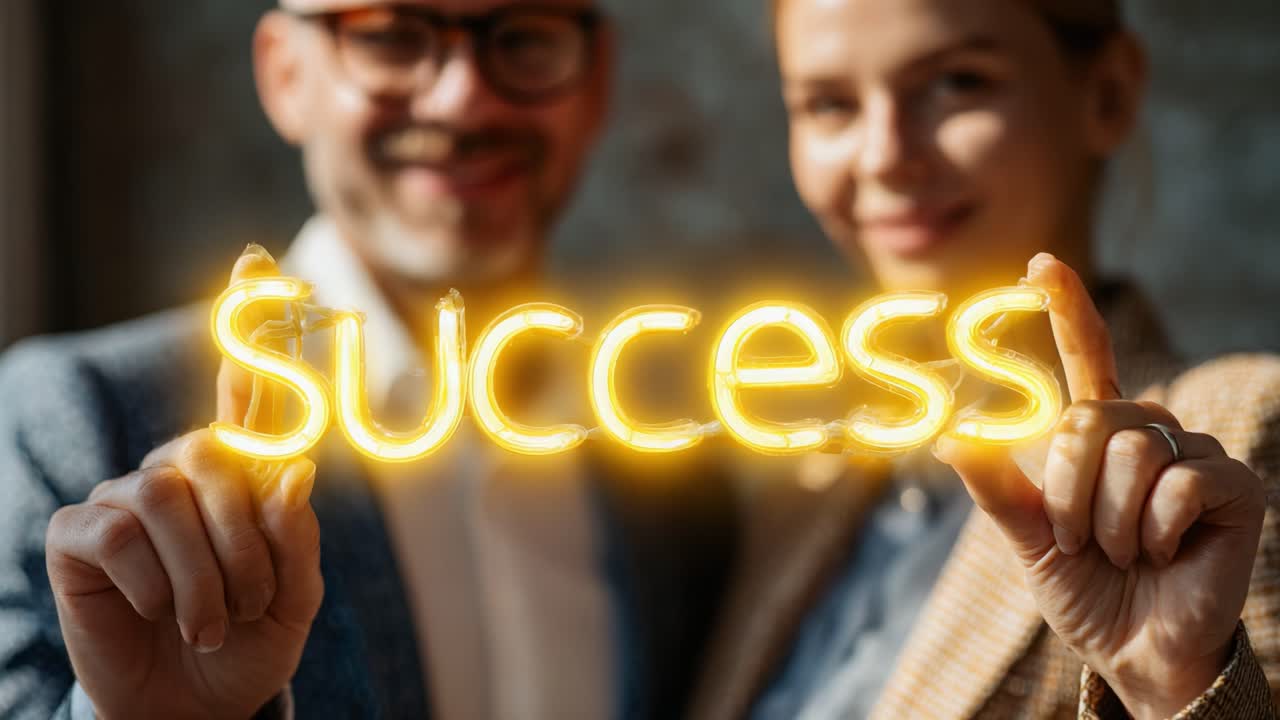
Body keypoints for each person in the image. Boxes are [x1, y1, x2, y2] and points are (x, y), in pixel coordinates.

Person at [0, 1, 734, 718]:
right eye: (390, 36)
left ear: (596, 80)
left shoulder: (674, 471)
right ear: (285, 74)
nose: (463, 100)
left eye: (525, 36)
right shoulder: (79, 424)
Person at [688, 0, 1280, 718]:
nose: (883, 156)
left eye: (957, 82)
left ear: (1107, 94)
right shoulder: (797, 502)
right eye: (829, 104)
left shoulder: (1232, 442)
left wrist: (1170, 687)